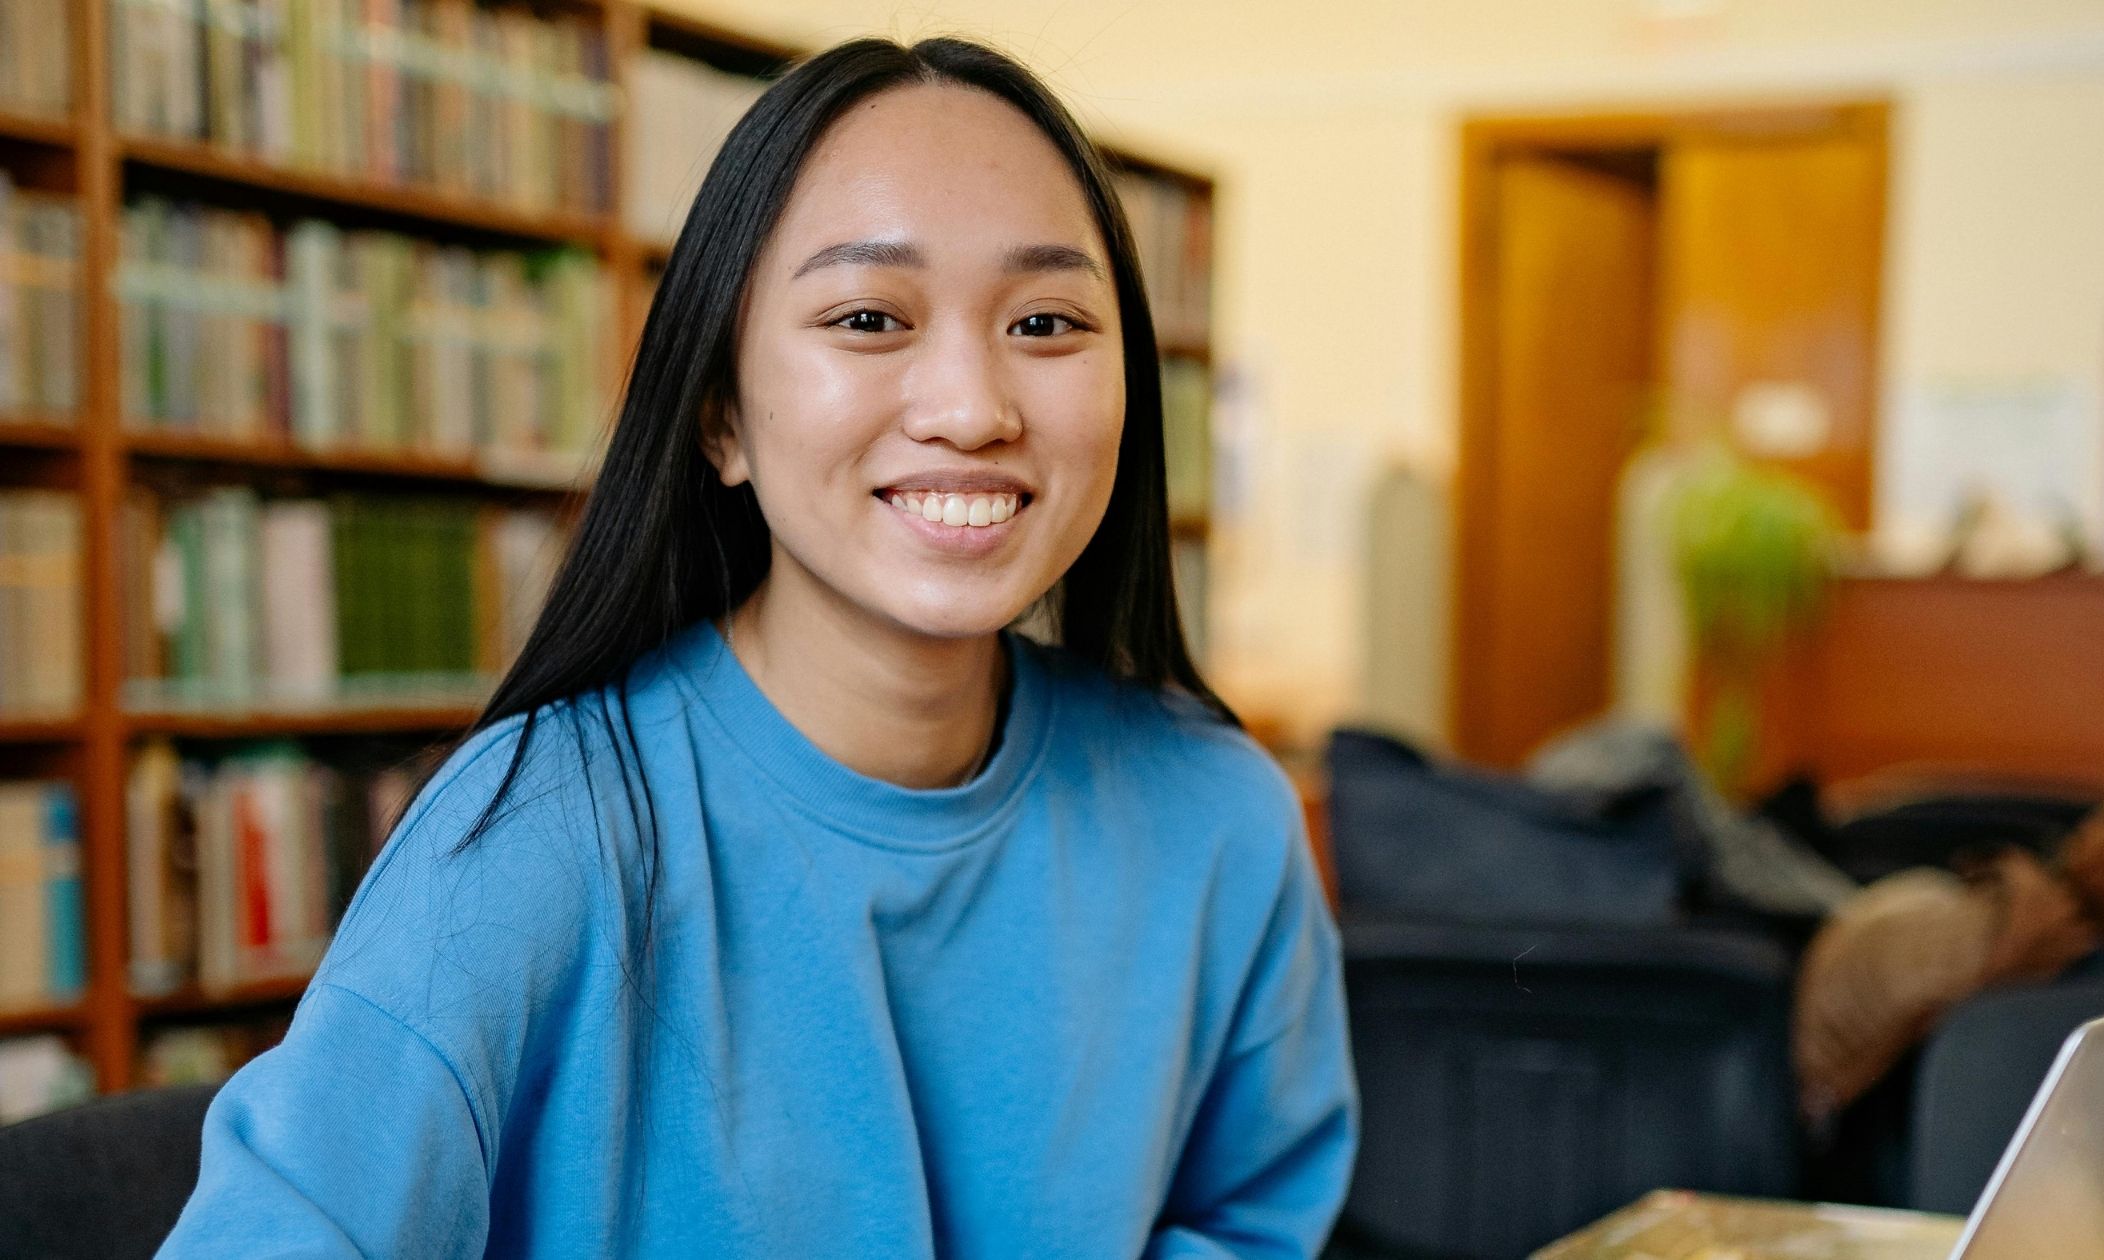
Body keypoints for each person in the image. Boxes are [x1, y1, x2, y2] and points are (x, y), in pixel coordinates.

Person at [156, 34, 1357, 1259]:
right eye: (868, 316)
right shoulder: (536, 834)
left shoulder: (1220, 817)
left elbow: (1249, 1223)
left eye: (1045, 321)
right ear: (720, 415)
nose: (970, 408)